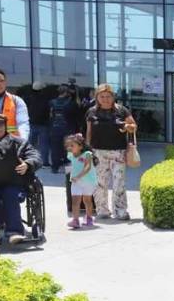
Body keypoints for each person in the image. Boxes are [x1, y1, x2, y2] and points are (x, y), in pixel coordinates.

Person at [0, 113, 42, 245]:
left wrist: (28, 164)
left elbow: (35, 156)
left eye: (0, 124)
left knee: (11, 196)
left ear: (5, 126)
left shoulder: (18, 142)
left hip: (14, 183)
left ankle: (14, 231)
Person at [86, 83, 137, 221]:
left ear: (113, 97)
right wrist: (87, 150)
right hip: (98, 151)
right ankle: (102, 210)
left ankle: (120, 210)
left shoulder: (122, 110)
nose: (105, 99)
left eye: (108, 96)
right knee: (100, 182)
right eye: (102, 96)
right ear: (97, 97)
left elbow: (133, 126)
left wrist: (127, 127)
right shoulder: (92, 111)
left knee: (118, 182)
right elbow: (89, 131)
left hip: (118, 152)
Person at [0, 67, 31, 141]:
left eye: (1, 81)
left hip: (10, 146)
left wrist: (22, 141)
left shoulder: (16, 101)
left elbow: (23, 123)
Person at [64, 133, 96, 229]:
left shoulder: (87, 154)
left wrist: (78, 176)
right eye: (68, 145)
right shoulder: (70, 154)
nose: (69, 147)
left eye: (72, 145)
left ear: (81, 147)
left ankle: (89, 217)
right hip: (76, 182)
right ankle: (76, 220)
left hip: (88, 181)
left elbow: (87, 167)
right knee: (75, 201)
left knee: (87, 200)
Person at [49, 84, 81, 173]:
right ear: (67, 93)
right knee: (70, 148)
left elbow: (50, 116)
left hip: (55, 128)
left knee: (55, 148)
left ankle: (54, 167)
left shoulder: (52, 102)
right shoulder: (71, 103)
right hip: (68, 128)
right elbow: (76, 116)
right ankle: (70, 169)